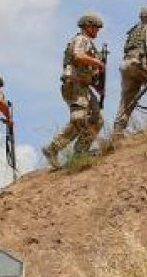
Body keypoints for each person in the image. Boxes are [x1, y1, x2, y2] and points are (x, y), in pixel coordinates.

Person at [43, 12, 106, 168]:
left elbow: (88, 70)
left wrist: (98, 86)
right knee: (79, 119)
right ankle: (53, 148)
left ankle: (80, 153)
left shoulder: (89, 43)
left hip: (84, 85)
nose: (97, 31)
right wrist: (98, 62)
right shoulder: (81, 39)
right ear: (88, 26)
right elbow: (78, 56)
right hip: (75, 84)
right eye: (96, 28)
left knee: (97, 121)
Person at [110, 5, 147, 143]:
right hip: (139, 64)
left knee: (127, 99)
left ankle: (117, 131)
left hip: (126, 65)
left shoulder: (135, 30)